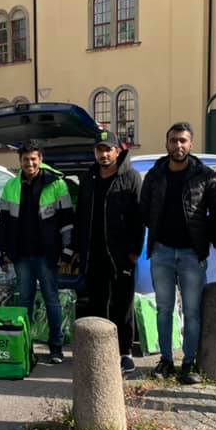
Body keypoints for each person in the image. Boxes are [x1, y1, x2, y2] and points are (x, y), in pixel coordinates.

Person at [139, 122, 216, 385]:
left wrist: (203, 238)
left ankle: (190, 362)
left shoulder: (205, 175)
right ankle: (166, 360)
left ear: (191, 143)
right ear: (167, 143)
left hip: (191, 254)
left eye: (183, 141)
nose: (178, 145)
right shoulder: (155, 174)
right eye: (174, 140)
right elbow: (144, 209)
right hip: (162, 252)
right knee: (164, 309)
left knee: (191, 311)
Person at [74, 130, 144, 375]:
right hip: (93, 253)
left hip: (121, 254)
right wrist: (78, 249)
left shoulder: (131, 177)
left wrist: (135, 250)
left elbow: (139, 218)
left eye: (108, 150)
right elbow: (81, 215)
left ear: (117, 151)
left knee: (122, 304)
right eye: (99, 150)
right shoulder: (88, 177)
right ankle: (99, 350)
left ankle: (124, 352)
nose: (103, 154)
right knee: (96, 303)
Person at [0, 140, 74, 364]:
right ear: (20, 161)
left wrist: (67, 251)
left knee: (52, 300)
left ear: (40, 159)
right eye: (25, 159)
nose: (29, 163)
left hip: (47, 254)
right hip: (21, 255)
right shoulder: (11, 186)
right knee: (25, 302)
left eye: (33, 159)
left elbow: (67, 221)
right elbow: (4, 222)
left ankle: (56, 347)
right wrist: (3, 251)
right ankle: (25, 346)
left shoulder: (57, 184)